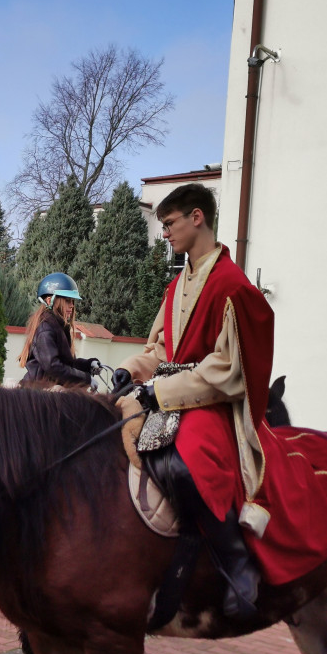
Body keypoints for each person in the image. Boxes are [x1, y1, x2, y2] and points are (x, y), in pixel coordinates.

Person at [112, 183, 267, 618]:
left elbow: (227, 371)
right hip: (172, 395)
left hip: (214, 404)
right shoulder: (177, 285)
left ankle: (238, 564)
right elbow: (164, 351)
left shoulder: (232, 287)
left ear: (197, 217)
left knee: (185, 459)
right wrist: (132, 369)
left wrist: (158, 390)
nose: (164, 233)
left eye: (169, 223)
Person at [19, 272, 101, 388]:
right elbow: (53, 367)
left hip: (50, 392)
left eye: (73, 301)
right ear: (49, 301)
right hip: (37, 395)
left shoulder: (59, 326)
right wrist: (86, 379)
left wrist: (89, 364)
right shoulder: (45, 328)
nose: (72, 306)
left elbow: (67, 364)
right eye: (67, 300)